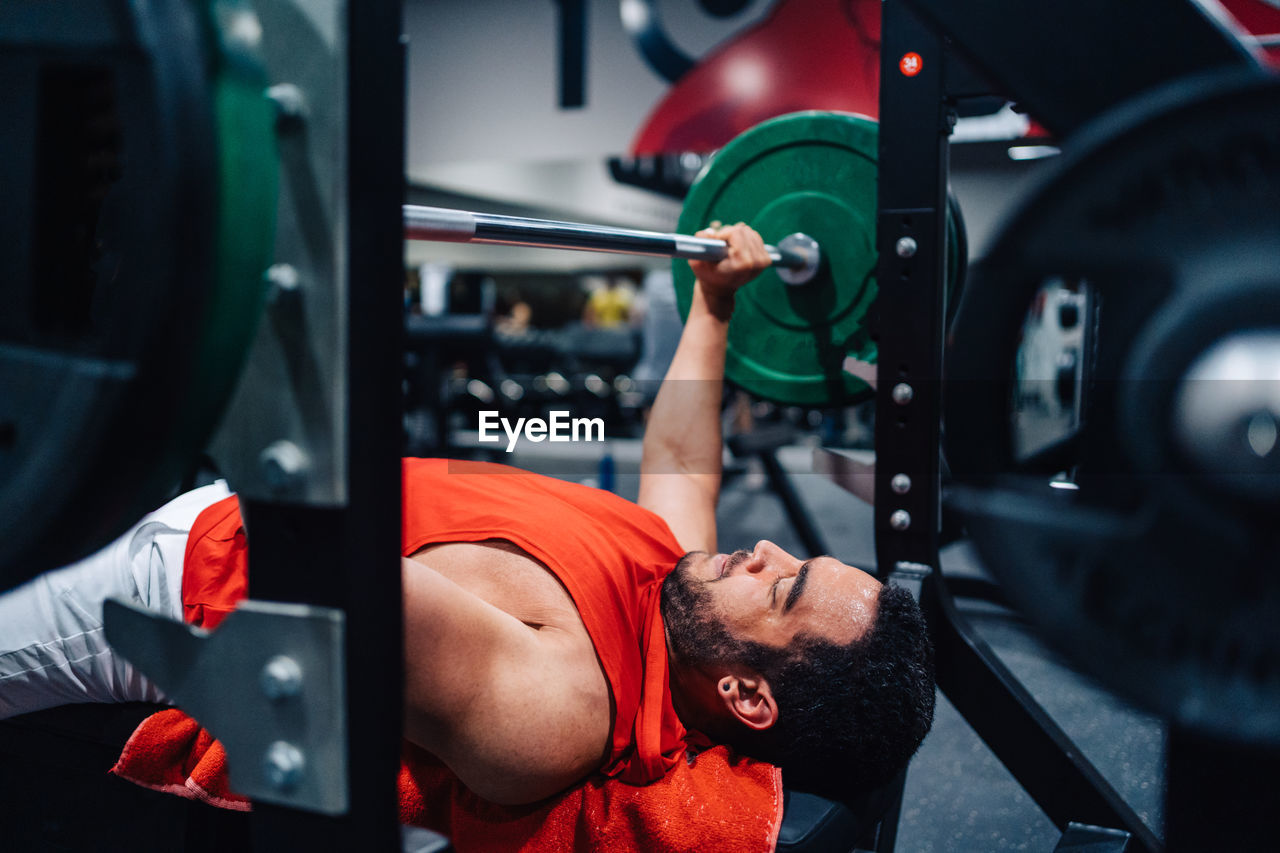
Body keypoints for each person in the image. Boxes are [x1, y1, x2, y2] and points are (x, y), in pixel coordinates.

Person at [0, 224, 934, 808]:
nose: (770, 548)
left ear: (748, 696)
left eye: (788, 585)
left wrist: (282, 280)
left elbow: (335, 560)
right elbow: (685, 457)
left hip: (165, 591)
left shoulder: (559, 710)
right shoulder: (674, 585)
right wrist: (715, 301)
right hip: (206, 511)